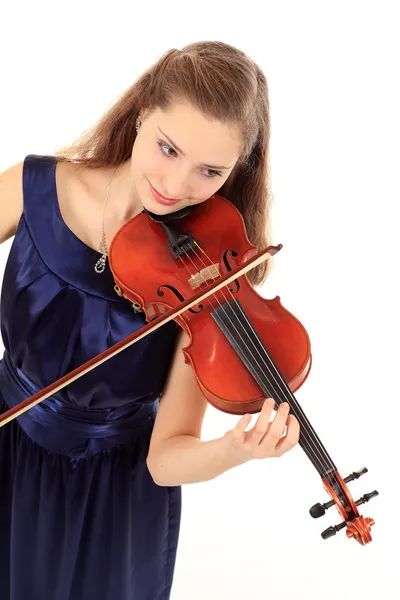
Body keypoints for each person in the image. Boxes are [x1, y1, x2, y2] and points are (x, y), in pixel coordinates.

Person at [0, 41, 300, 600]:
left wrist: (236, 449)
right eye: (167, 148)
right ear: (142, 112)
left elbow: (166, 459)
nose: (176, 184)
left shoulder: (204, 284)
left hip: (115, 494)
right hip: (9, 441)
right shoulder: (34, 186)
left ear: (237, 170)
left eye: (209, 171)